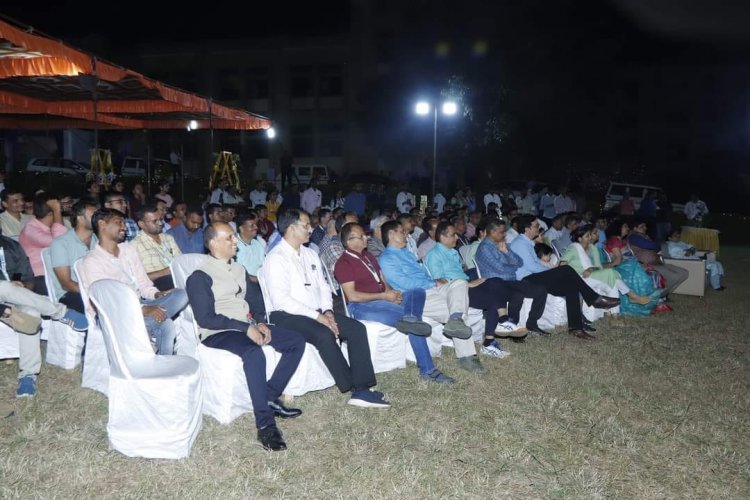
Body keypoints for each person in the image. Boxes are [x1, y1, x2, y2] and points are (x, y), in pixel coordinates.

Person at [186, 222, 305, 451]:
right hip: (218, 332)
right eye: (229, 238)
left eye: (233, 237)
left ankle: (269, 396)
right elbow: (206, 318)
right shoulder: (199, 277)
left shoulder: (239, 269)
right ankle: (265, 426)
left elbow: (255, 302)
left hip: (245, 326)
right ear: (213, 243)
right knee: (254, 353)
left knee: (295, 341)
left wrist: (259, 322)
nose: (235, 242)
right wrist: (245, 328)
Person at [263, 209, 390, 408]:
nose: (311, 229)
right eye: (306, 225)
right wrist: (319, 317)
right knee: (324, 334)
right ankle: (352, 386)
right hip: (285, 315)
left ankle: (363, 386)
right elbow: (281, 301)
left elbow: (323, 287)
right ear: (291, 228)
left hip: (316, 312)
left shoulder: (311, 254)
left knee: (356, 329)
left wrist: (328, 311)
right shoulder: (276, 258)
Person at [335, 223, 453, 384]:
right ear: (349, 241)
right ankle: (428, 369)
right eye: (361, 235)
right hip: (363, 306)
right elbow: (352, 296)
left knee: (416, 291)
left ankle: (411, 319)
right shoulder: (343, 263)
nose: (366, 237)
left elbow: (383, 281)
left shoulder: (368, 257)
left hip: (384, 301)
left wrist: (393, 293)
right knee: (412, 321)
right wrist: (383, 296)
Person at [378, 220, 486, 374]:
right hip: (418, 295)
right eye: (402, 232)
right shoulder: (387, 258)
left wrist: (433, 282)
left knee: (460, 283)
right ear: (391, 234)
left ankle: (455, 320)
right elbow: (403, 284)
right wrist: (431, 283)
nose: (406, 235)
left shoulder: (406, 253)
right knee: (457, 313)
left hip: (432, 288)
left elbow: (424, 274)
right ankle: (467, 357)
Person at [78, 208, 188, 355]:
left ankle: (151, 338)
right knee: (166, 324)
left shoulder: (128, 250)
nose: (124, 227)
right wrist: (142, 310)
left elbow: (143, 284)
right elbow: (106, 301)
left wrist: (157, 295)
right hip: (114, 313)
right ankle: (160, 357)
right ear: (102, 224)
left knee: (181, 294)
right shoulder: (92, 261)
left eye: (123, 222)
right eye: (119, 222)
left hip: (139, 303)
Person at [1, 233, 86, 398]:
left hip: (16, 298)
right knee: (3, 287)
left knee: (31, 314)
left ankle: (27, 375)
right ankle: (60, 312)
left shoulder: (11, 246)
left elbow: (28, 279)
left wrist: (23, 284)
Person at [509, 215, 620, 339]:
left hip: (535, 277)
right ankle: (594, 299)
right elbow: (532, 267)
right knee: (566, 269)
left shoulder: (527, 242)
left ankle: (576, 327)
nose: (539, 228)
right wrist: (552, 270)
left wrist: (550, 268)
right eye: (536, 226)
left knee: (571, 286)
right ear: (527, 228)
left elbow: (535, 264)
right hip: (526, 280)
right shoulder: (520, 243)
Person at [424, 221, 524, 359]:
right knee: (494, 293)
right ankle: (495, 332)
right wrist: (466, 284)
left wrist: (470, 281)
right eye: (453, 235)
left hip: (465, 285)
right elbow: (440, 282)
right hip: (456, 293)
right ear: (442, 236)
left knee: (495, 281)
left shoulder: (452, 252)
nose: (457, 238)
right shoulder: (434, 255)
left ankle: (499, 326)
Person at [474, 218, 549, 334]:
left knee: (540, 290)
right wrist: (512, 267)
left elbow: (519, 262)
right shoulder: (484, 248)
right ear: (493, 232)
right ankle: (512, 325)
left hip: (510, 281)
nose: (505, 234)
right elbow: (501, 269)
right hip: (495, 284)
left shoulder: (502, 244)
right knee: (517, 295)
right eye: (502, 232)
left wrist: (506, 252)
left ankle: (531, 324)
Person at [562, 225, 652, 304]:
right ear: (579, 239)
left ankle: (615, 316)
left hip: (591, 274)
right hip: (580, 278)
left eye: (590, 235)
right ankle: (632, 296)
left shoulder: (593, 248)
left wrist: (590, 269)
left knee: (612, 282)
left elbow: (598, 266)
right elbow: (562, 264)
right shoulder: (574, 249)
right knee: (611, 273)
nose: (590, 238)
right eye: (587, 236)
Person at [49, 199, 98, 314]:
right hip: (71, 294)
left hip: (95, 289)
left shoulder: (98, 240)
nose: (99, 219)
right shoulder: (61, 244)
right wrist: (95, 292)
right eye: (94, 215)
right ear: (80, 218)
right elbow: (66, 284)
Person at [19, 192, 68, 295]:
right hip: (40, 279)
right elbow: (59, 243)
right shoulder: (30, 229)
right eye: (59, 207)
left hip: (57, 274)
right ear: (51, 213)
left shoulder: (55, 225)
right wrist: (57, 211)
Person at [627, 218, 689, 297]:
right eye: (642, 227)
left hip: (657, 263)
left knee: (684, 273)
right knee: (674, 276)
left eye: (645, 226)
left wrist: (656, 244)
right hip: (645, 265)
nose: (645, 228)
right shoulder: (633, 237)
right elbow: (651, 245)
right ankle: (657, 297)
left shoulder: (644, 236)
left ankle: (664, 295)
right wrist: (656, 244)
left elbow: (655, 246)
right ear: (635, 228)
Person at [132, 204, 182, 291]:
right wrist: (164, 272)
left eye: (160, 219)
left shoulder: (168, 238)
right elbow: (136, 279)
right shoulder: (134, 245)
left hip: (176, 277)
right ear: (142, 224)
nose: (160, 223)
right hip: (154, 285)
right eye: (155, 221)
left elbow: (181, 260)